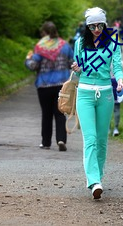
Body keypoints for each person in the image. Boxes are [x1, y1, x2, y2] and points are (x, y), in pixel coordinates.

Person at [71, 7, 123, 199]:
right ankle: (93, 180)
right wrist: (76, 68)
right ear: (87, 26)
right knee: (90, 139)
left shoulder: (112, 44)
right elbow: (77, 71)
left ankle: (98, 177)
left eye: (99, 25)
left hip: (106, 94)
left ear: (105, 24)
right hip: (84, 93)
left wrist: (119, 80)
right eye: (92, 26)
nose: (96, 29)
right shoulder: (79, 43)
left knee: (102, 140)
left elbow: (117, 66)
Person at [25, 21, 74, 151]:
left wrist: (28, 59)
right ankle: (61, 139)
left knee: (46, 114)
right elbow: (73, 62)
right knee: (60, 113)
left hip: (44, 85)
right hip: (61, 85)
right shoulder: (65, 46)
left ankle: (46, 142)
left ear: (44, 33)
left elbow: (33, 66)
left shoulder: (40, 47)